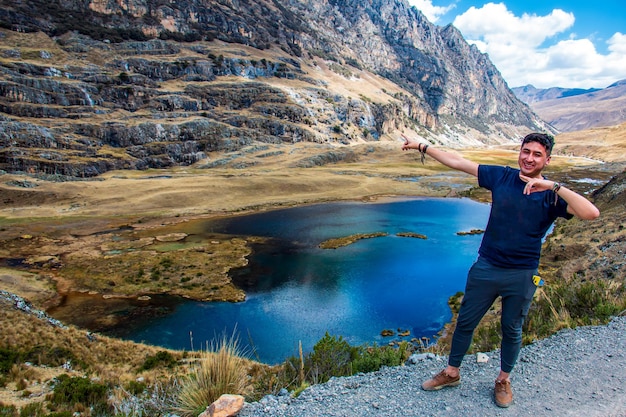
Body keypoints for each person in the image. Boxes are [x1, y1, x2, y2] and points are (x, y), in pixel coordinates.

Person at [401, 132, 600, 408]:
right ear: (520, 152)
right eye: (526, 151)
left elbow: (591, 213)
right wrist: (423, 146)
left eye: (537, 154)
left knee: (512, 328)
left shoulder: (551, 197)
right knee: (466, 322)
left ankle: (503, 380)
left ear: (547, 159)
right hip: (487, 266)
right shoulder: (501, 177)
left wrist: (553, 186)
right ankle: (451, 372)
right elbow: (458, 162)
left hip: (522, 274)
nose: (529, 158)